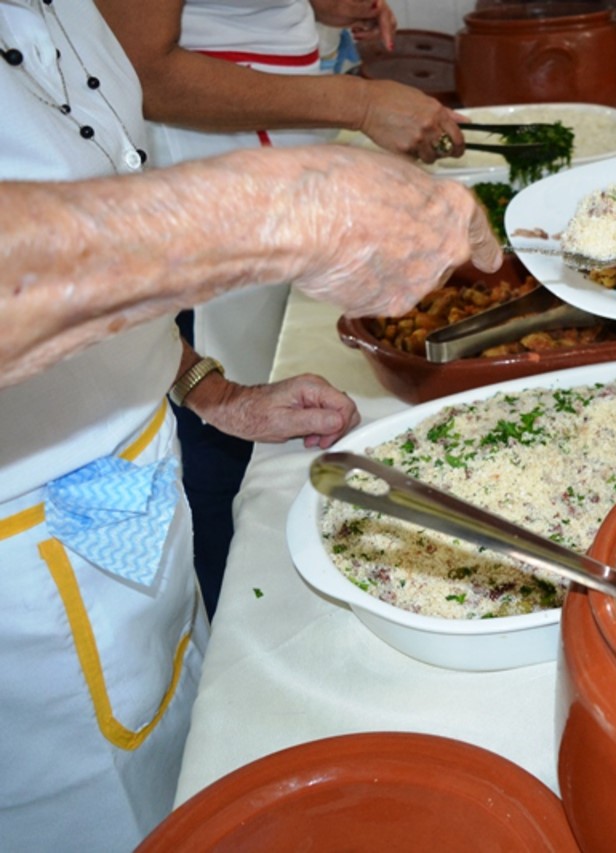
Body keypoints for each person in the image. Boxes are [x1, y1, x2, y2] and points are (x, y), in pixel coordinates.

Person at [0, 1, 499, 847]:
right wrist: (283, 210)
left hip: (134, 501)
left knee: (186, 777)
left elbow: (92, 202)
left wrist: (203, 386)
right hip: (27, 576)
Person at [98, 0, 470, 614]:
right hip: (205, 215)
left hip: (277, 199)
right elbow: (141, 70)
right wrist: (363, 103)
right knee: (225, 462)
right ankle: (242, 625)